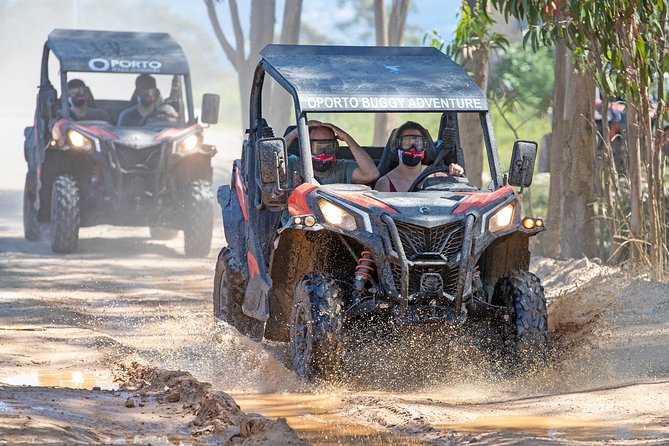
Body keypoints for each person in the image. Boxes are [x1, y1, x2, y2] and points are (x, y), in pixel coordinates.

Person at [374, 121, 464, 192]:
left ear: (425, 146)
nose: (412, 148)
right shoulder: (385, 184)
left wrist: (456, 174)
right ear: (396, 146)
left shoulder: (439, 176)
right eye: (407, 143)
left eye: (418, 143)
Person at [284, 120, 379, 186]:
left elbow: (371, 174)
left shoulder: (343, 168)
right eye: (317, 148)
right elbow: (270, 163)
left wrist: (346, 138)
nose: (323, 154)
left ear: (335, 147)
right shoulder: (293, 164)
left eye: (328, 148)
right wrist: (295, 133)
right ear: (307, 147)